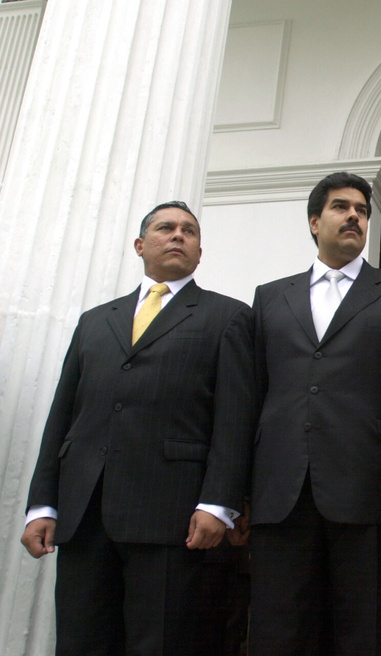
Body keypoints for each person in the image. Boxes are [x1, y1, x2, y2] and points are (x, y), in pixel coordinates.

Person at [21, 201, 256, 655]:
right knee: (80, 641)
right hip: (85, 514)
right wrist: (42, 504)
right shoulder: (95, 321)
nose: (178, 235)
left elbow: (235, 418)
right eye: (166, 228)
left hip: (171, 516)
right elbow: (63, 415)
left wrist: (219, 503)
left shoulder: (227, 316)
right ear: (140, 244)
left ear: (200, 252)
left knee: (160, 643)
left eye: (189, 231)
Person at [246, 172, 381, 655]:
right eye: (341, 207)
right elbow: (253, 394)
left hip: (368, 490)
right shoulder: (270, 296)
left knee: (366, 634)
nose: (354, 217)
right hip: (280, 495)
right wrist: (237, 494)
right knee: (280, 634)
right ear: (314, 221)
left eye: (362, 211)